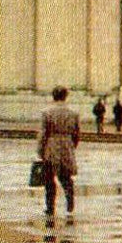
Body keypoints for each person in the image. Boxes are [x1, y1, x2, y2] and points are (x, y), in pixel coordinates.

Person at [37, 86, 80, 218]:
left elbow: (44, 133)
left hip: (52, 145)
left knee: (49, 178)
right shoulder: (73, 113)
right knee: (65, 176)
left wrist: (40, 149)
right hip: (66, 145)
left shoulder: (47, 112)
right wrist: (72, 145)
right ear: (65, 96)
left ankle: (50, 207)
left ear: (53, 96)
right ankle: (70, 201)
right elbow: (76, 133)